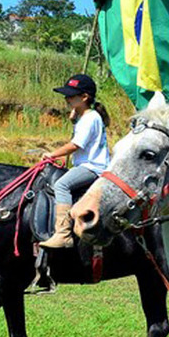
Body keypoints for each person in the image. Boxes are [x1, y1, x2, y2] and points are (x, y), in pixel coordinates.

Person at [38, 73, 111, 249]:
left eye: (71, 95)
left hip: (93, 168)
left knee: (62, 185)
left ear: (85, 97)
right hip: (88, 165)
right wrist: (75, 119)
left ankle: (63, 234)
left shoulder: (90, 118)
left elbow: (75, 145)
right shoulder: (87, 117)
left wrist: (52, 154)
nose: (66, 98)